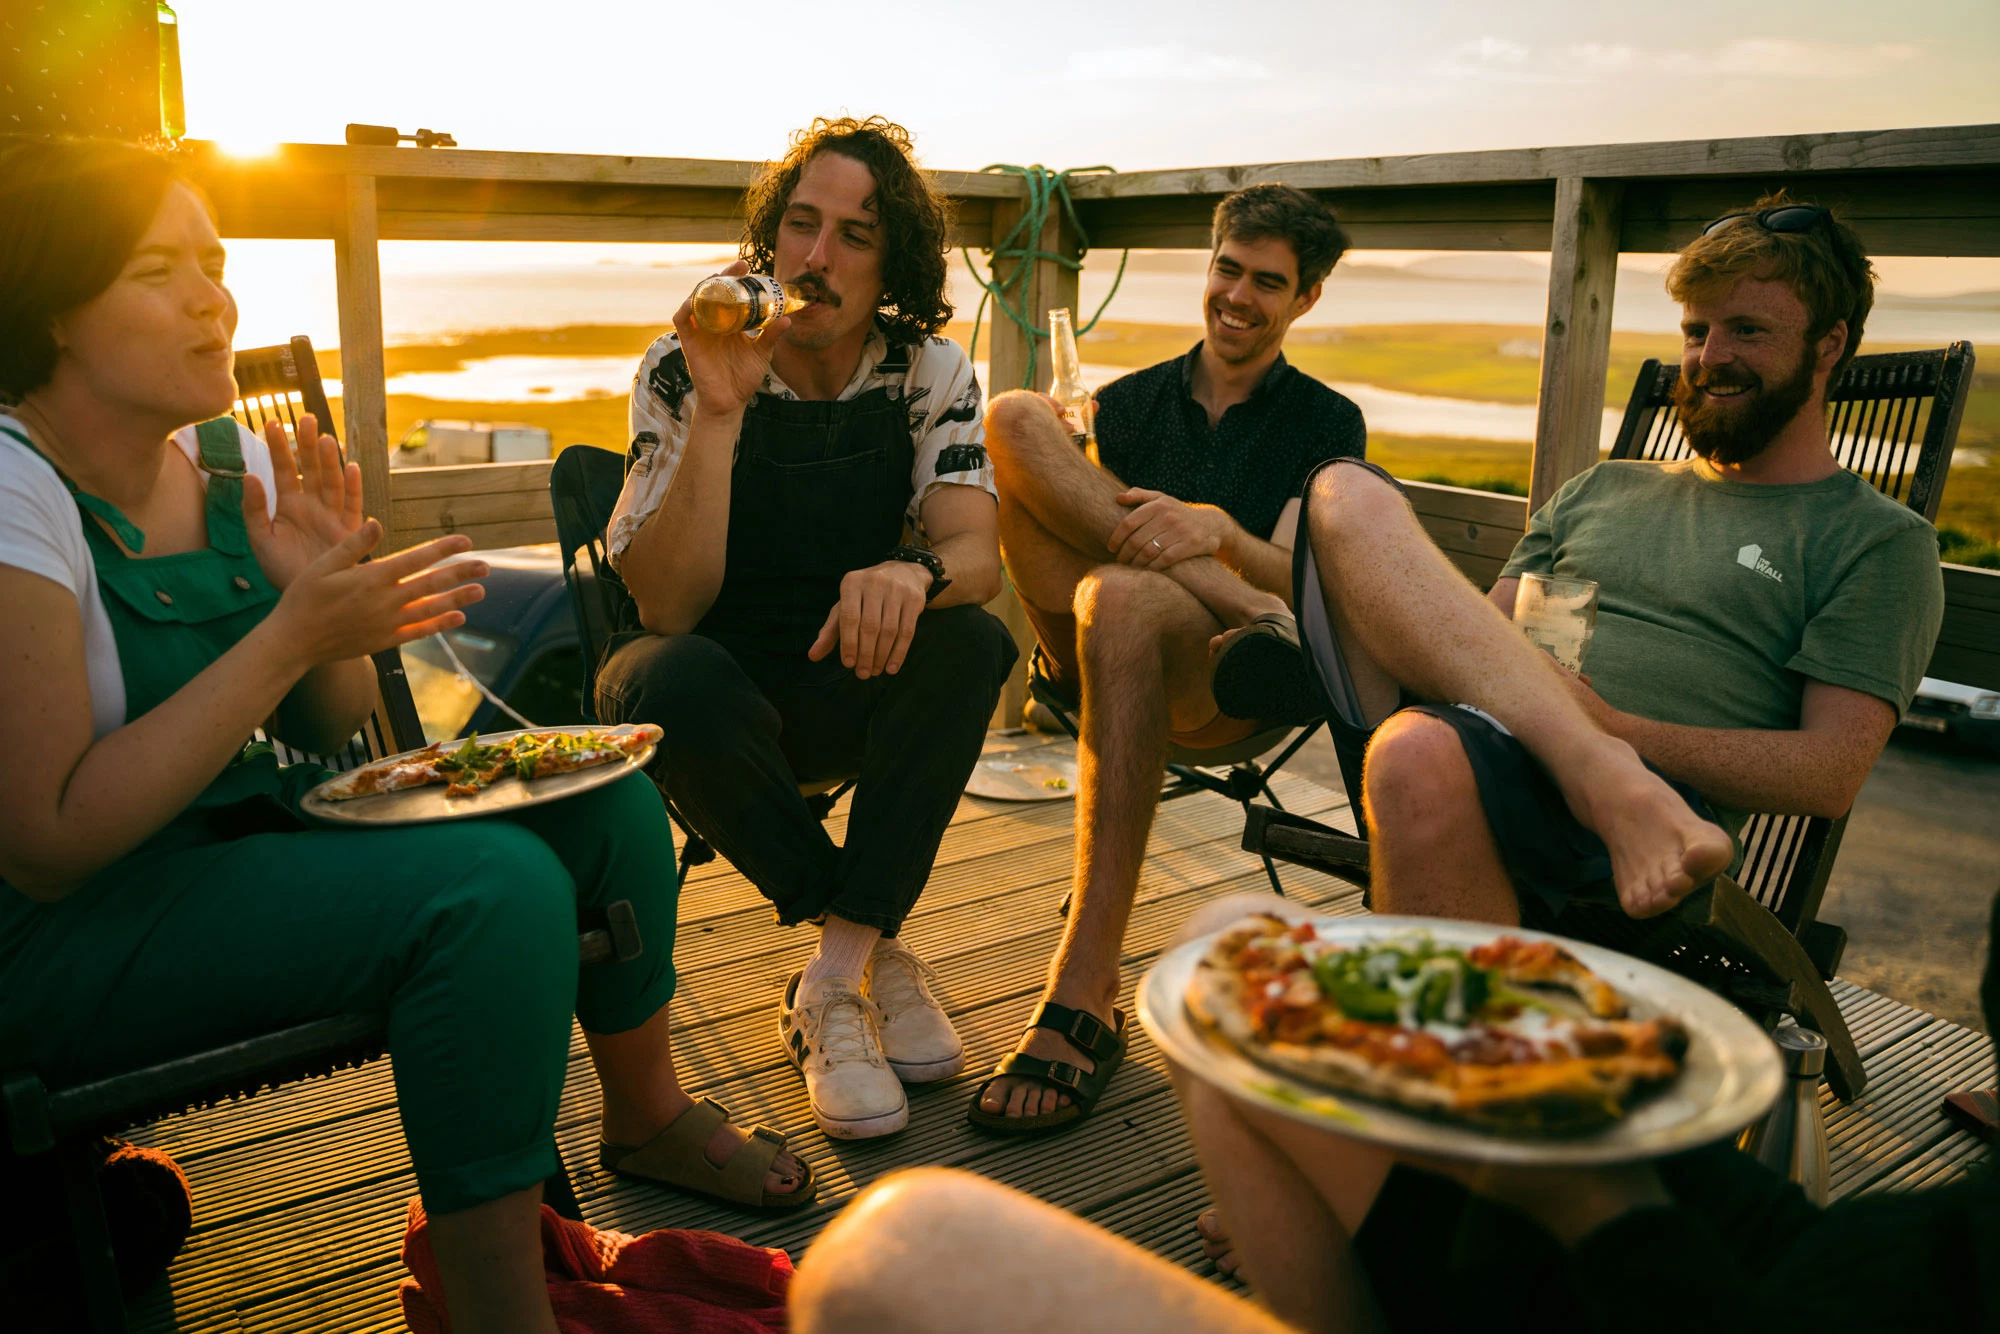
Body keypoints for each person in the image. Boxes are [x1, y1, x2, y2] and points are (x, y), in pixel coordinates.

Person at [0, 138, 806, 1334]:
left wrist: (315, 607)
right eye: (157, 271)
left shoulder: (232, 463)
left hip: (240, 841)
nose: (212, 298)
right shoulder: (17, 487)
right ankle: (497, 1306)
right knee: (490, 889)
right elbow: (48, 839)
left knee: (606, 796)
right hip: (70, 929)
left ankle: (646, 1114)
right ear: (56, 307)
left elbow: (329, 725)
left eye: (214, 263)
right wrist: (286, 632)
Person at [788, 886, 2000, 1333]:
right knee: (1230, 948)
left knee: (886, 1249)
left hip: (1653, 1279)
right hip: (1765, 1261)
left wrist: (1593, 1201)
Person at [1289, 195, 1943, 929]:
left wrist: (1614, 729)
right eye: (1696, 331)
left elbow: (1829, 774)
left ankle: (1599, 786)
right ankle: (1270, 624)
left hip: (1635, 825)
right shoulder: (1601, 487)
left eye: (1747, 330)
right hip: (1477, 737)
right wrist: (1555, 721)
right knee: (1341, 489)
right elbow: (1476, 644)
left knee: (1416, 753)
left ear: (1829, 344)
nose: (1710, 357)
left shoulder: (1876, 541)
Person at [597, 117, 1016, 1142]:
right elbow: (665, 608)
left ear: (893, 266)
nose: (816, 257)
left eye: (855, 235)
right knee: (670, 679)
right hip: (703, 695)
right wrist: (720, 412)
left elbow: (977, 555)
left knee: (973, 642)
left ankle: (829, 977)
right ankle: (867, 944)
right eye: (800, 224)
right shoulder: (680, 364)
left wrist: (912, 571)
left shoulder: (926, 370)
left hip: (843, 671)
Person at [970, 185, 1364, 1133]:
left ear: (1306, 298)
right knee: (1016, 414)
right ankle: (1231, 604)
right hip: (1095, 652)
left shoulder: (1325, 422)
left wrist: (1218, 530)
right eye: (1229, 269)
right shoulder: (1127, 402)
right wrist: (1226, 580)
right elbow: (1051, 530)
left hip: (1223, 682)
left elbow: (1299, 573)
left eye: (1268, 282)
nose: (1239, 296)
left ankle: (1084, 985)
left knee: (1125, 594)